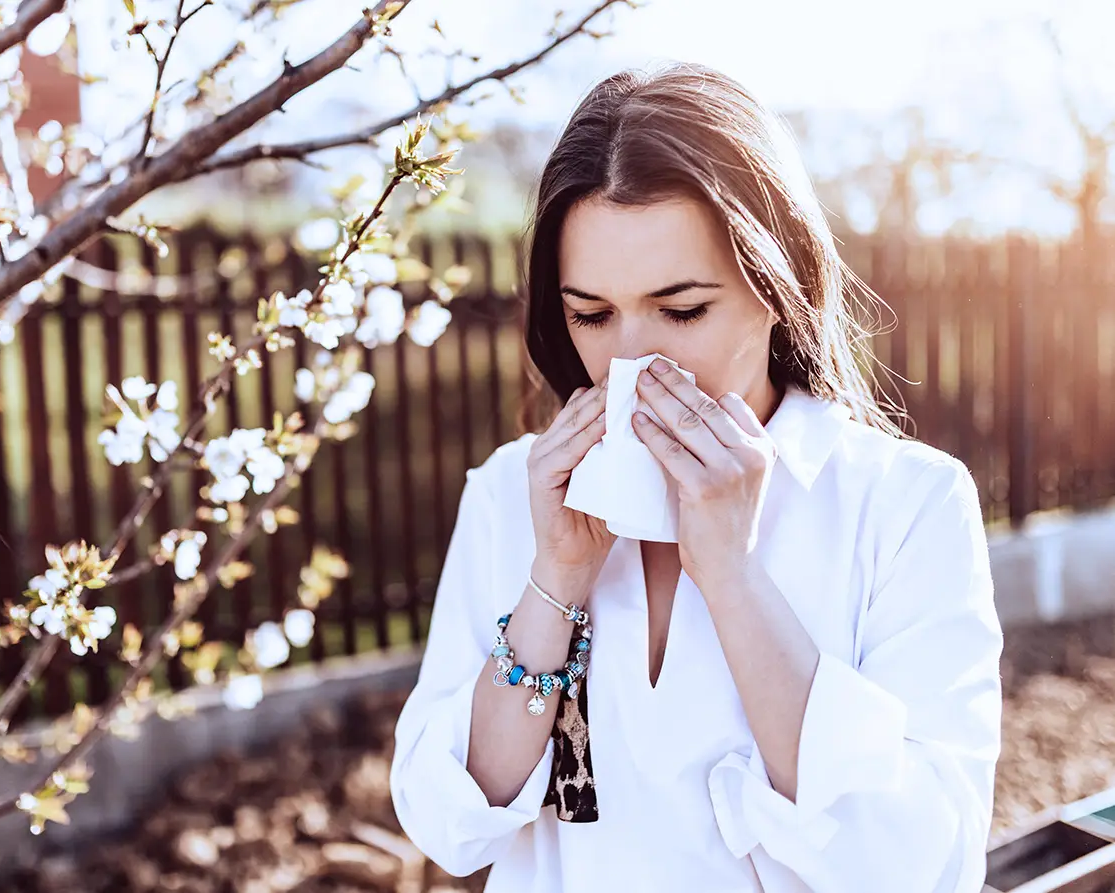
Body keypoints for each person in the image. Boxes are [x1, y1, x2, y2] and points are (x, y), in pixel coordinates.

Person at [388, 63, 1004, 893]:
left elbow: (925, 868)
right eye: (591, 314)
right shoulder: (512, 493)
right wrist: (556, 579)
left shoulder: (903, 503)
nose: (632, 359)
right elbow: (447, 821)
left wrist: (734, 576)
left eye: (681, 310)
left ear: (776, 285)